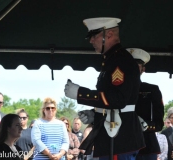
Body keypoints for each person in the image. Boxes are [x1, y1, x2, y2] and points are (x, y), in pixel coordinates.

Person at [64, 17, 144, 159]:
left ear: (109, 34)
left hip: (120, 138)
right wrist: (96, 114)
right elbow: (113, 99)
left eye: (94, 36)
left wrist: (80, 94)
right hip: (115, 135)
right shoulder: (112, 59)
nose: (91, 41)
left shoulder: (120, 60)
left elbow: (118, 99)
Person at [126, 48, 164, 160]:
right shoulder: (115, 90)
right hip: (121, 146)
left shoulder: (152, 89)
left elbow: (158, 124)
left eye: (137, 65)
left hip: (145, 147)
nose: (132, 68)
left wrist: (146, 125)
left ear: (143, 69)